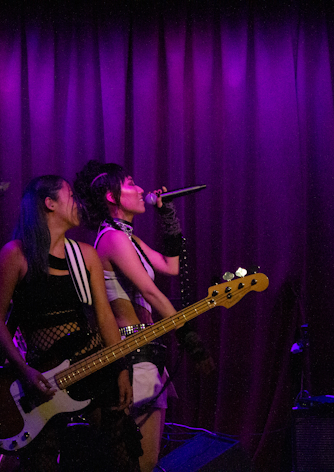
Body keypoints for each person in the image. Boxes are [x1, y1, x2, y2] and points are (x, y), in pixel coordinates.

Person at [0, 175, 141, 472]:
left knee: (118, 454)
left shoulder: (85, 255)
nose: (77, 201)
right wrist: (24, 369)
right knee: (44, 458)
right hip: (44, 375)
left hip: (92, 366)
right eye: (69, 194)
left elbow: (104, 317)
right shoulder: (15, 255)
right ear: (49, 203)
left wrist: (121, 368)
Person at [74, 161, 213, 472]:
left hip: (146, 351)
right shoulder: (111, 238)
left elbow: (171, 266)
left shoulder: (130, 239)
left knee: (143, 461)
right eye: (130, 184)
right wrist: (190, 339)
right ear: (111, 197)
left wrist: (168, 216)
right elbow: (151, 293)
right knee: (139, 462)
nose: (140, 189)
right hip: (130, 353)